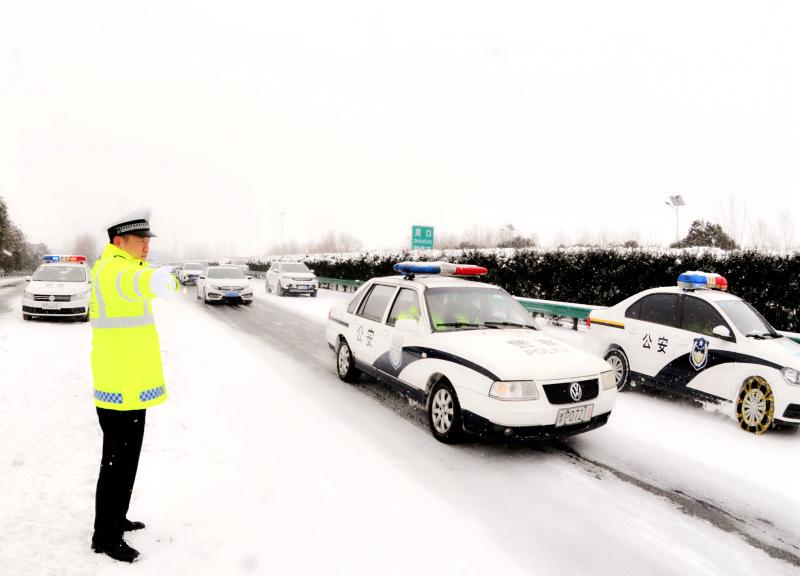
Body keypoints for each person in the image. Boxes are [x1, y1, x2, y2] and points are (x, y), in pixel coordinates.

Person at [89, 209, 177, 563]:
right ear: (118, 241)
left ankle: (116, 518)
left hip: (128, 384)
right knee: (116, 464)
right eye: (140, 240)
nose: (146, 246)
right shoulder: (114, 270)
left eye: (147, 240)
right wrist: (161, 279)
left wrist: (162, 279)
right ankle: (105, 537)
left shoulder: (126, 267)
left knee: (125, 462)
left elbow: (142, 280)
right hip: (119, 387)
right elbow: (139, 282)